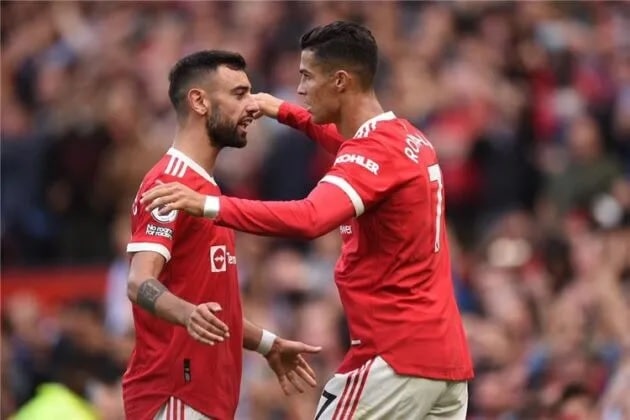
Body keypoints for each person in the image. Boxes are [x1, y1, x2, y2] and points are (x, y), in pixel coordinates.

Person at [142, 22, 474, 419]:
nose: (299, 89)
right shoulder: (407, 138)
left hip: (394, 358)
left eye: (306, 77)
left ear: (340, 81)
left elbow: (311, 218)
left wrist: (209, 205)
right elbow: (344, 143)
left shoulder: (372, 154)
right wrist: (281, 111)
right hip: (446, 365)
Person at [125, 50, 321, 420]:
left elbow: (211, 308)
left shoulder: (205, 191)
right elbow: (138, 282)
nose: (252, 107)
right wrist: (187, 313)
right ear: (199, 101)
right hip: (176, 395)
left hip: (206, 398)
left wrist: (267, 344)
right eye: (239, 94)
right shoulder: (169, 183)